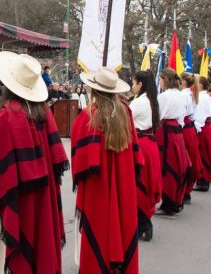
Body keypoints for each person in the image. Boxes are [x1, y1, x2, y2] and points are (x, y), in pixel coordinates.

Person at [0, 51, 67, 274]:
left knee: (15, 250)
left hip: (19, 196)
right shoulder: (44, 111)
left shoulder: (5, 117)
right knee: (42, 242)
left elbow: (0, 172)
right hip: (44, 190)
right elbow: (56, 159)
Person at [71, 67, 142, 273]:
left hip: (97, 186)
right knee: (122, 220)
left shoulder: (88, 116)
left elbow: (79, 160)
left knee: (99, 227)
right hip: (123, 180)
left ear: (93, 89)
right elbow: (136, 155)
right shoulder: (125, 111)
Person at [129, 70, 161, 242]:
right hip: (150, 144)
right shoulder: (152, 100)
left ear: (140, 84)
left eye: (134, 83)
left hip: (141, 144)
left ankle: (143, 224)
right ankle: (144, 223)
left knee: (138, 183)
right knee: (146, 183)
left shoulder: (140, 102)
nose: (132, 86)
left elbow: (124, 118)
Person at [155, 68, 190, 218]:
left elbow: (157, 116)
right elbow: (182, 117)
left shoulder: (164, 96)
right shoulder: (181, 95)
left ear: (165, 79)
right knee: (178, 165)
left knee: (166, 167)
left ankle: (168, 204)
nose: (159, 82)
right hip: (177, 131)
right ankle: (175, 201)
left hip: (166, 131)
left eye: (160, 79)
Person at [180, 72, 203, 204]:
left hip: (184, 128)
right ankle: (187, 190)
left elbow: (181, 114)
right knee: (191, 158)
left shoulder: (184, 95)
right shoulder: (191, 93)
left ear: (183, 81)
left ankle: (184, 190)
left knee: (184, 160)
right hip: (190, 127)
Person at [192, 76, 211, 192]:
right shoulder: (208, 97)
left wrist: (196, 128)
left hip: (203, 127)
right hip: (209, 126)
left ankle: (203, 180)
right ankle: (204, 180)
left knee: (202, 153)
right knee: (208, 152)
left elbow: (199, 115)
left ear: (200, 85)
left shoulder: (201, 97)